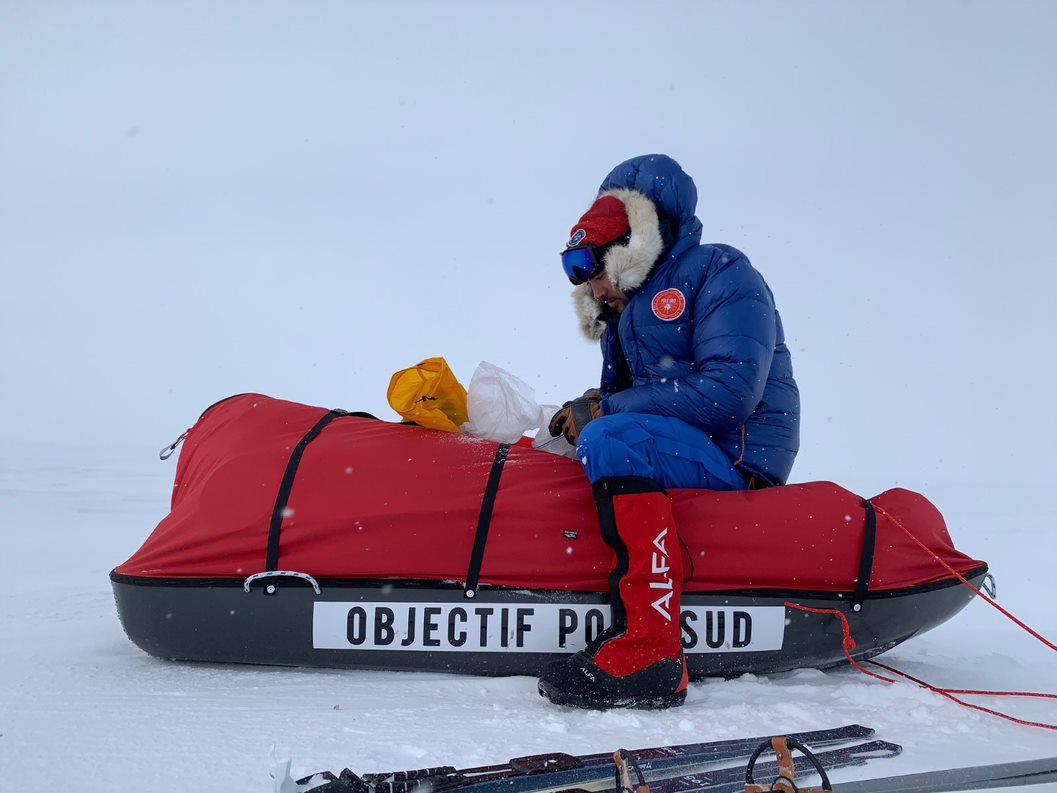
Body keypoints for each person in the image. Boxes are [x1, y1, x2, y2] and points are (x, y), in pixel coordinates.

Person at [538, 154, 800, 710]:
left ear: (632, 249)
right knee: (581, 442)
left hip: (734, 461)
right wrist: (592, 405)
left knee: (612, 439)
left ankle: (653, 650)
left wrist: (608, 413)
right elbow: (644, 398)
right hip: (684, 451)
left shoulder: (720, 272)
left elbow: (729, 394)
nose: (593, 288)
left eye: (595, 268)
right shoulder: (627, 315)